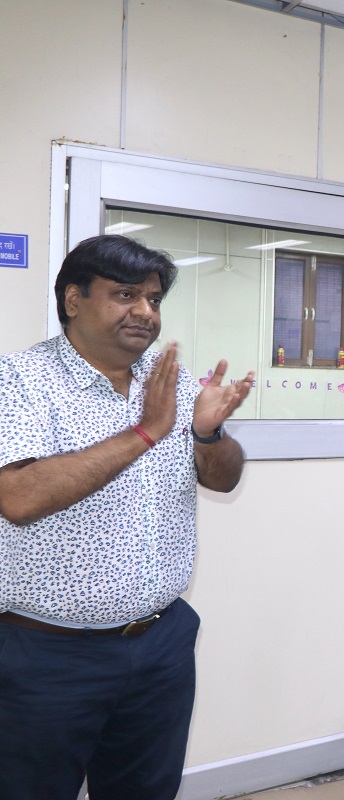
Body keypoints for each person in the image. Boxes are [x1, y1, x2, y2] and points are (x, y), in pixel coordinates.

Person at [0, 235, 254, 800]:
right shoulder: (18, 381)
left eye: (154, 299)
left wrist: (207, 434)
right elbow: (18, 497)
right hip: (46, 656)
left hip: (160, 643)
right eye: (125, 295)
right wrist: (146, 432)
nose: (145, 312)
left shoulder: (170, 382)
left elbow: (223, 479)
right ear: (74, 299)